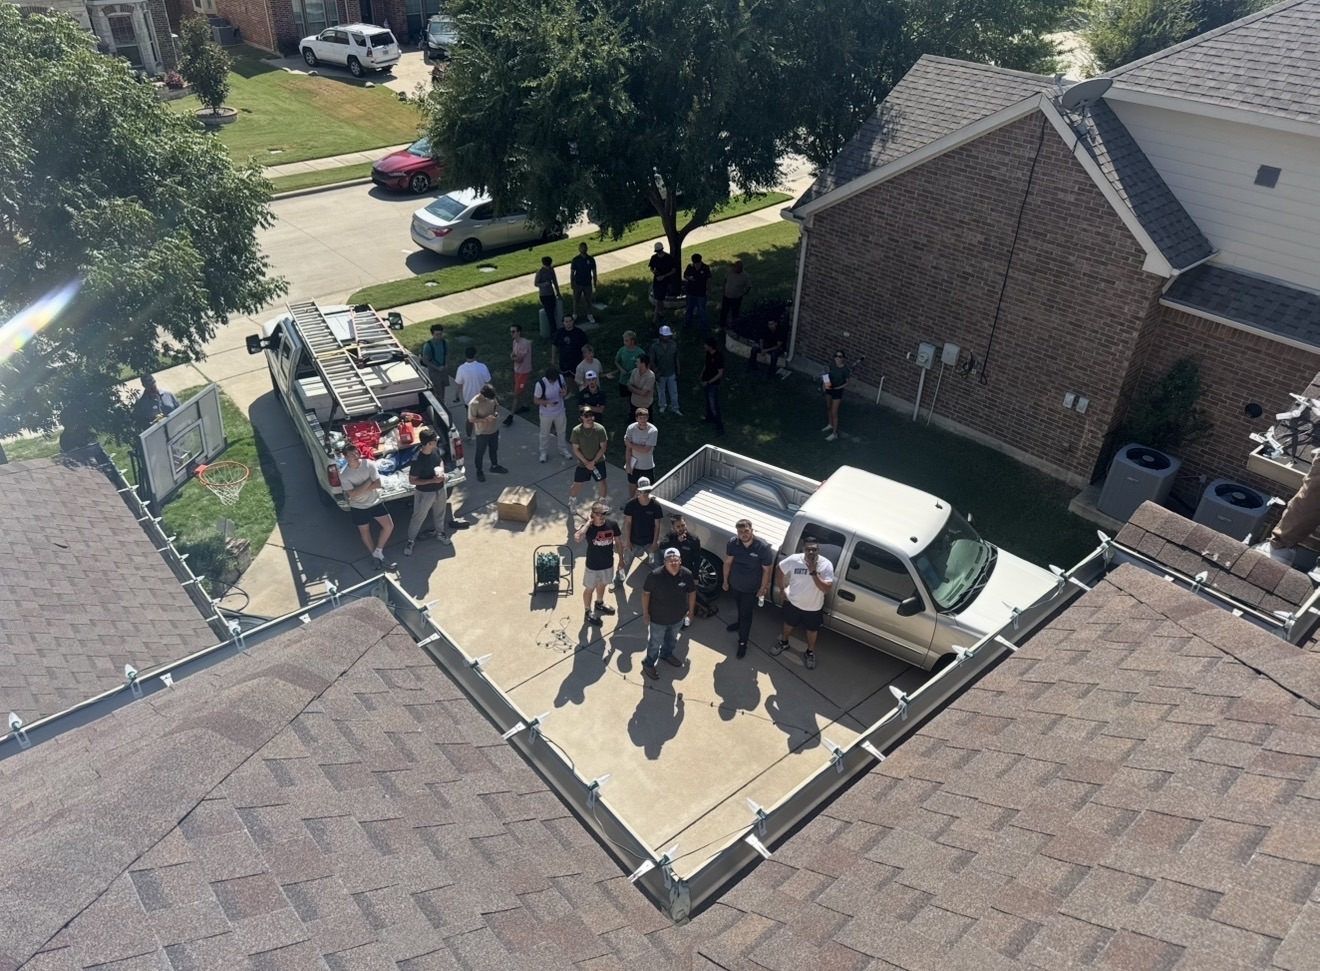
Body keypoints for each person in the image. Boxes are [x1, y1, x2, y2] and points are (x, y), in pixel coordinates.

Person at [771, 537, 836, 670]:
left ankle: (810, 652)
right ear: (803, 549)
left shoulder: (826, 565)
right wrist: (782, 588)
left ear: (819, 549)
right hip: (793, 603)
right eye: (808, 549)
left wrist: (813, 572)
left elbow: (826, 589)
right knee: (789, 624)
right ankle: (784, 643)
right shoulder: (794, 559)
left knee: (812, 630)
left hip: (814, 607)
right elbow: (779, 569)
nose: (811, 552)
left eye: (814, 549)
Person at [641, 548, 696, 679]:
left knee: (672, 640)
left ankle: (666, 654)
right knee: (655, 643)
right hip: (658, 619)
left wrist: (691, 612)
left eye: (676, 560)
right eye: (670, 560)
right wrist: (645, 613)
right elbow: (645, 593)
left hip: (677, 618)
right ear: (664, 562)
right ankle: (649, 663)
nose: (673, 563)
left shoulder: (687, 574)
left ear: (680, 560)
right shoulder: (654, 576)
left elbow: (692, 592)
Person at [723, 519, 774, 658]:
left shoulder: (762, 547)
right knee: (739, 607)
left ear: (751, 530)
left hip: (751, 589)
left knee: (746, 614)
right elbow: (728, 562)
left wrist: (763, 588)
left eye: (746, 531)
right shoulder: (733, 543)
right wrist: (725, 581)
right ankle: (739, 624)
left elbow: (767, 570)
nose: (743, 534)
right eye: (740, 531)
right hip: (735, 584)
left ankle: (742, 642)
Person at [340, 444, 396, 569]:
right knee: (365, 532)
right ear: (346, 458)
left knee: (389, 526)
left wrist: (359, 489)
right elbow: (352, 494)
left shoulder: (369, 464)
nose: (355, 455)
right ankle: (375, 556)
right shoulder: (344, 474)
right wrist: (369, 481)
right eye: (351, 454)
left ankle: (378, 552)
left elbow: (378, 484)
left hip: (375, 502)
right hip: (358, 507)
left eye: (356, 452)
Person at [574, 501, 623, 627]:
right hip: (593, 566)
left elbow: (618, 542)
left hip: (608, 563)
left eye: (604, 514)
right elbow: (577, 538)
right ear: (592, 514)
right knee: (590, 588)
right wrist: (588, 523)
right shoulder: (589, 528)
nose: (602, 517)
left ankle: (599, 603)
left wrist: (621, 560)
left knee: (603, 583)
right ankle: (587, 611)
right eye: (599, 514)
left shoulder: (612, 524)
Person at [403, 429, 451, 555]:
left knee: (440, 513)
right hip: (425, 494)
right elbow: (412, 480)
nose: (437, 440)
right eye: (435, 440)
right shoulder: (417, 460)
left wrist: (441, 470)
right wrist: (432, 480)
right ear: (429, 443)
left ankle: (440, 533)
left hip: (440, 489)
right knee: (418, 517)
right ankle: (410, 541)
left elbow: (440, 460)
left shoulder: (435, 450)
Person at [621, 476, 664, 584]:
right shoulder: (631, 505)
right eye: (642, 491)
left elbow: (657, 525)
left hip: (649, 542)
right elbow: (628, 523)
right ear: (638, 490)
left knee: (658, 562)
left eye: (647, 491)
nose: (645, 493)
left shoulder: (656, 506)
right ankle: (618, 581)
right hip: (633, 541)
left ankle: (660, 582)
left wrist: (655, 542)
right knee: (625, 563)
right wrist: (627, 541)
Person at [467, 383, 508, 482]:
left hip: (494, 430)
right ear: (483, 395)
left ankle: (494, 466)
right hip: (482, 433)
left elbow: (496, 406)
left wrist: (496, 412)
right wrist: (485, 419)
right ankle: (479, 471)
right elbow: (471, 419)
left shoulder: (492, 397)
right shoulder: (474, 403)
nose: (491, 400)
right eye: (489, 398)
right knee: (480, 453)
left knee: (494, 449)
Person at [534, 365, 574, 463]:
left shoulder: (560, 378)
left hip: (560, 411)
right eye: (551, 380)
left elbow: (565, 388)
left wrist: (563, 393)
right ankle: (543, 452)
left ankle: (563, 449)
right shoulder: (540, 384)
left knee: (562, 431)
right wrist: (548, 402)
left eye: (554, 380)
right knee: (544, 433)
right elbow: (536, 400)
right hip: (546, 413)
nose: (552, 382)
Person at [569, 407, 609, 502]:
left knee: (602, 482)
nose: (590, 418)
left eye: (591, 415)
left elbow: (603, 448)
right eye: (586, 416)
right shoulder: (576, 431)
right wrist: (586, 463)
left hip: (598, 461)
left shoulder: (600, 429)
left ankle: (602, 502)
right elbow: (575, 449)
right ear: (581, 417)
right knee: (577, 484)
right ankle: (572, 500)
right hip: (583, 463)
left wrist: (593, 462)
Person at [664, 514, 703, 602]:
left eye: (683, 525)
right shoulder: (672, 535)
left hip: (686, 571)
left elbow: (697, 560)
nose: (681, 528)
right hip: (672, 569)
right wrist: (677, 541)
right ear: (673, 527)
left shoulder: (693, 539)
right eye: (678, 526)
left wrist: (695, 577)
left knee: (685, 591)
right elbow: (662, 544)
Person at [453, 347, 491, 439]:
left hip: (469, 400)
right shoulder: (482, 367)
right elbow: (488, 382)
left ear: (465, 356)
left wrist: (456, 395)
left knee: (470, 419)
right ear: (475, 355)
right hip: (482, 399)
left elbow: (458, 384)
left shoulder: (461, 369)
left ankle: (469, 436)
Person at [623, 407, 657, 498]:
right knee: (632, 484)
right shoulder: (631, 428)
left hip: (647, 465)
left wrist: (631, 444)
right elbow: (628, 449)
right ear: (636, 418)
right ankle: (631, 501)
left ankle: (645, 501)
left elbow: (646, 449)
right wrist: (628, 464)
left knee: (648, 487)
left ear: (648, 417)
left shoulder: (653, 431)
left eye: (645, 417)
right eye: (640, 418)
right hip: (634, 464)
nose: (643, 420)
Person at [551, 314, 589, 393]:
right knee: (568, 377)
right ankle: (571, 392)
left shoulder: (579, 332)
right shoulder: (559, 333)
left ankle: (583, 391)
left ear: (573, 322)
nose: (568, 323)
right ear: (563, 322)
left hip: (577, 360)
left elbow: (585, 346)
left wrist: (586, 357)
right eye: (566, 321)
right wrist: (553, 359)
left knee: (580, 376)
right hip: (564, 361)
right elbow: (554, 346)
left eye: (570, 321)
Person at [649, 326, 682, 416]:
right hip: (660, 372)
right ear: (660, 336)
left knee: (674, 391)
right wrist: (655, 373)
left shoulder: (673, 344)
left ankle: (675, 407)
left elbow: (676, 357)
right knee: (661, 391)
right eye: (665, 336)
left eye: (668, 336)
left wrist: (678, 369)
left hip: (671, 372)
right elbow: (652, 360)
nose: (667, 337)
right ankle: (662, 405)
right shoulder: (654, 346)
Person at [506, 324, 533, 422]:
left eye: (513, 331)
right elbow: (514, 355)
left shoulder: (524, 344)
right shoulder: (515, 342)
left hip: (523, 372)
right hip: (517, 370)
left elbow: (519, 359)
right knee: (522, 389)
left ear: (519, 332)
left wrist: (513, 358)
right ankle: (525, 405)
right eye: (511, 331)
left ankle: (511, 414)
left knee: (517, 392)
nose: (511, 333)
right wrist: (514, 357)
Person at [823, 349, 851, 442]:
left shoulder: (845, 370)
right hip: (829, 387)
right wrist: (825, 385)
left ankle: (834, 434)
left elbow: (847, 382)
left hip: (837, 390)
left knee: (834, 412)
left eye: (840, 356)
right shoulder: (832, 365)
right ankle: (830, 424)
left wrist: (839, 387)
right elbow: (827, 375)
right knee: (828, 407)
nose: (837, 358)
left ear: (843, 358)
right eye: (836, 356)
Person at [700, 336, 725, 435]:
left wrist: (709, 382)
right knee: (708, 403)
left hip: (713, 384)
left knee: (714, 406)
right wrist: (702, 375)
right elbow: (706, 365)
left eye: (706, 344)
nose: (704, 346)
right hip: (706, 381)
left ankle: (719, 427)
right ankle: (709, 418)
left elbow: (720, 373)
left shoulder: (718, 357)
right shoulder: (708, 354)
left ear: (711, 346)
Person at [570, 241, 598, 323]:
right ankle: (575, 314)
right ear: (579, 249)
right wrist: (572, 283)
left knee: (588, 300)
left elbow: (594, 272)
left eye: (584, 247)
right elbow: (572, 273)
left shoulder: (591, 259)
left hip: (587, 283)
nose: (583, 249)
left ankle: (589, 315)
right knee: (576, 300)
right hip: (578, 283)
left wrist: (594, 283)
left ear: (587, 248)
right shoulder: (575, 260)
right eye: (581, 248)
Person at [420, 324, 450, 402]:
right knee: (437, 390)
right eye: (437, 334)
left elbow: (446, 354)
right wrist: (437, 368)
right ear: (432, 334)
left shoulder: (444, 343)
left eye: (440, 334)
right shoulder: (428, 346)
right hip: (434, 372)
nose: (439, 336)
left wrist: (446, 364)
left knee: (443, 387)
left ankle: (442, 401)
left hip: (443, 370)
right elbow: (425, 360)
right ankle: (440, 404)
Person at [683, 253, 712, 331]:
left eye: (697, 263)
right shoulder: (690, 267)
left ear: (700, 261)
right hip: (691, 292)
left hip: (701, 293)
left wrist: (708, 290)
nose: (696, 265)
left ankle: (704, 326)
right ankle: (687, 324)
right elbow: (685, 275)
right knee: (689, 309)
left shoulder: (705, 268)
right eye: (695, 263)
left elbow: (709, 280)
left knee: (702, 310)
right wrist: (689, 278)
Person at [649, 242, 677, 322]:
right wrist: (654, 272)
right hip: (656, 280)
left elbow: (673, 270)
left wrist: (664, 276)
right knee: (659, 299)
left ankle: (655, 319)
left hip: (665, 281)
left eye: (660, 251)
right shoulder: (654, 258)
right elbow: (651, 268)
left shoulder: (668, 258)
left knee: (659, 301)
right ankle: (662, 313)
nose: (659, 253)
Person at [720, 260, 752, 329]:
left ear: (741, 268)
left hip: (736, 298)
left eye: (737, 268)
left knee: (735, 312)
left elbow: (748, 286)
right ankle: (722, 325)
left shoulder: (745, 276)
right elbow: (725, 280)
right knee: (724, 311)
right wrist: (724, 290)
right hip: (726, 296)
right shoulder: (730, 272)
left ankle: (735, 326)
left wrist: (742, 294)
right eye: (735, 267)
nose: (735, 269)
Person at [614, 331, 643, 402]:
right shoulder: (622, 350)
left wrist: (636, 370)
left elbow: (645, 365)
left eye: (627, 341)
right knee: (626, 399)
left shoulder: (640, 352)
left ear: (632, 341)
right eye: (624, 340)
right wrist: (621, 369)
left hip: (636, 381)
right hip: (624, 380)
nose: (624, 343)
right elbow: (616, 361)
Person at [628, 353, 656, 423]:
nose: (636, 363)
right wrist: (640, 391)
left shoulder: (650, 376)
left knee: (646, 425)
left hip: (645, 406)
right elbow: (629, 386)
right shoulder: (634, 371)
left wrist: (633, 388)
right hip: (634, 403)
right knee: (634, 425)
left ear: (643, 364)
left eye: (637, 362)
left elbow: (642, 392)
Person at [534, 256, 560, 327]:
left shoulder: (551, 269)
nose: (548, 267)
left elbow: (555, 281)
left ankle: (554, 326)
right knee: (549, 313)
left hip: (551, 293)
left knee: (553, 311)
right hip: (544, 295)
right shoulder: (540, 272)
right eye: (547, 266)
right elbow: (536, 283)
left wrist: (558, 292)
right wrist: (544, 284)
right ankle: (553, 329)